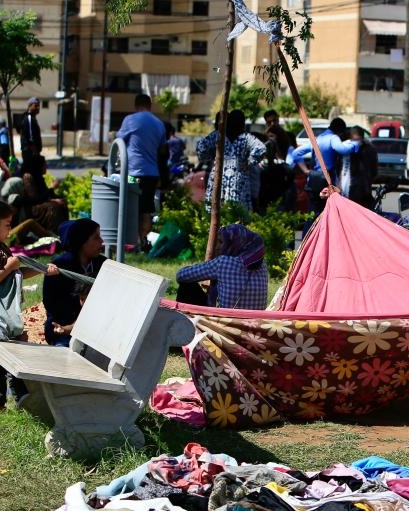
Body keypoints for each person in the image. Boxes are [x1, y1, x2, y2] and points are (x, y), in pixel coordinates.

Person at [0, 199, 58, 411]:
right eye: (8, 224)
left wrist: (41, 269)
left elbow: (17, 272)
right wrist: (9, 267)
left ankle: (21, 399)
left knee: (16, 354)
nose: (10, 229)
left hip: (8, 311)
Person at [115, 93, 167, 249]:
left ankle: (131, 241)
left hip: (132, 174)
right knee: (147, 207)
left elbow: (118, 143)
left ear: (136, 105)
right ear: (150, 105)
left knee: (130, 205)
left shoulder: (130, 120)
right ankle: (144, 240)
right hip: (151, 174)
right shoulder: (159, 123)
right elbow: (163, 151)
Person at [43, 218, 106, 346]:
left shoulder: (103, 264)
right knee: (65, 351)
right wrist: (80, 303)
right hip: (62, 323)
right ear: (82, 242)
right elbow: (51, 303)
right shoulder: (59, 266)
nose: (101, 241)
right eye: (96, 237)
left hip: (96, 324)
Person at [175, 224, 268, 310]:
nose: (217, 247)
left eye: (221, 242)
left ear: (234, 244)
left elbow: (181, 275)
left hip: (226, 322)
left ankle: (186, 323)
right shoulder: (263, 265)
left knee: (186, 285)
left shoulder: (223, 262)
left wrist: (207, 272)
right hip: (256, 322)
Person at [287, 117, 360, 223]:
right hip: (326, 182)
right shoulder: (333, 138)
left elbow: (295, 153)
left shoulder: (318, 138)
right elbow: (342, 149)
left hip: (313, 181)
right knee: (327, 215)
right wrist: (356, 144)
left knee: (312, 214)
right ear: (340, 131)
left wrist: (305, 170)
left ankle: (307, 238)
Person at [196, 109, 266, 212]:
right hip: (239, 178)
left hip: (219, 176)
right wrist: (249, 162)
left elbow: (201, 147)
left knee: (216, 210)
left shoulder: (218, 136)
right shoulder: (246, 137)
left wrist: (209, 157)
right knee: (237, 213)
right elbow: (261, 148)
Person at [347, 125, 377, 209]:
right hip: (362, 188)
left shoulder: (348, 148)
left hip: (357, 189)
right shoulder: (371, 148)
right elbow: (374, 172)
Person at [19, 97, 43, 165]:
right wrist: (35, 152)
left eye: (38, 106)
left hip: (32, 152)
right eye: (35, 105)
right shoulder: (29, 118)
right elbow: (30, 137)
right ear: (29, 106)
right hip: (30, 152)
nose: (38, 108)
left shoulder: (33, 118)